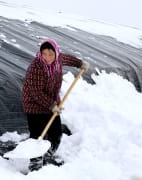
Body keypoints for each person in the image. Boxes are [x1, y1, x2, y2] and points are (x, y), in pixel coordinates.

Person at [22, 39, 89, 171]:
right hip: (34, 104)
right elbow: (36, 92)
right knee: (37, 136)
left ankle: (48, 155)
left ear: (56, 53)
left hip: (51, 102)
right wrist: (51, 105)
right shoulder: (36, 67)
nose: (47, 57)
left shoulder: (59, 59)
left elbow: (68, 59)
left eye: (50, 54)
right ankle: (35, 165)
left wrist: (80, 63)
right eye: (44, 54)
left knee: (56, 132)